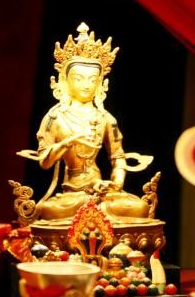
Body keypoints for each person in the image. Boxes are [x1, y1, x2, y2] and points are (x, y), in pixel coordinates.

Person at [23, 23, 154, 224]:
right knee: (51, 210)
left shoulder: (106, 118)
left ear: (100, 83)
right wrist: (69, 142)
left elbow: (118, 157)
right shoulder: (54, 118)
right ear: (65, 81)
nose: (86, 85)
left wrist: (116, 183)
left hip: (101, 191)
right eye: (79, 79)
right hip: (71, 194)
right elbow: (44, 161)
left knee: (138, 207)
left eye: (92, 80)